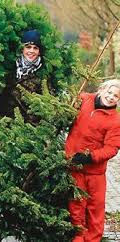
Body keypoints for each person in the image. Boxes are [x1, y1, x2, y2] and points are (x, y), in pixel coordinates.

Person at [65, 79, 120, 242]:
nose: (111, 97)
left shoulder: (115, 120)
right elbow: (67, 107)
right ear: (102, 89)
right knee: (76, 207)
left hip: (95, 172)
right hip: (74, 165)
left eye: (116, 96)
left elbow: (112, 148)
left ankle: (93, 239)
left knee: (95, 209)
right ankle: (78, 237)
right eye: (109, 92)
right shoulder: (84, 99)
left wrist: (90, 157)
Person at [0, 29, 54, 123]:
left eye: (35, 48)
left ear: (39, 51)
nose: (31, 51)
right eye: (28, 47)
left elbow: (49, 107)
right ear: (22, 49)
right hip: (4, 130)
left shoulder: (43, 75)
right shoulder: (9, 70)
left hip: (29, 132)